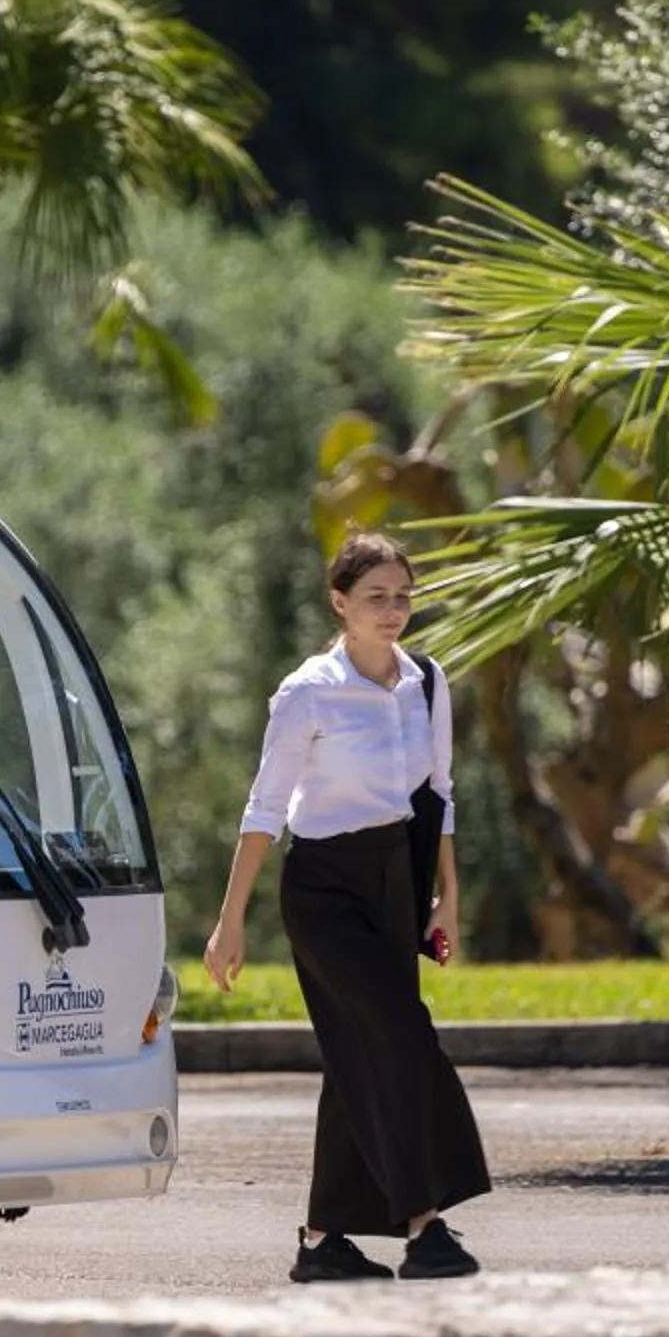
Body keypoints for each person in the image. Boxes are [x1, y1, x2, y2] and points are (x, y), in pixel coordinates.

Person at [203, 531, 491, 1282]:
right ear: (340, 603)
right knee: (398, 1035)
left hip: (398, 883)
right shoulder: (307, 692)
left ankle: (323, 1241)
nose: (393, 611)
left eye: (402, 596)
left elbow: (440, 798)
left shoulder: (427, 682)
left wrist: (446, 903)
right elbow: (265, 808)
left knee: (354, 1057)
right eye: (376, 598)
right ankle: (426, 1223)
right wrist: (231, 920)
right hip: (325, 892)